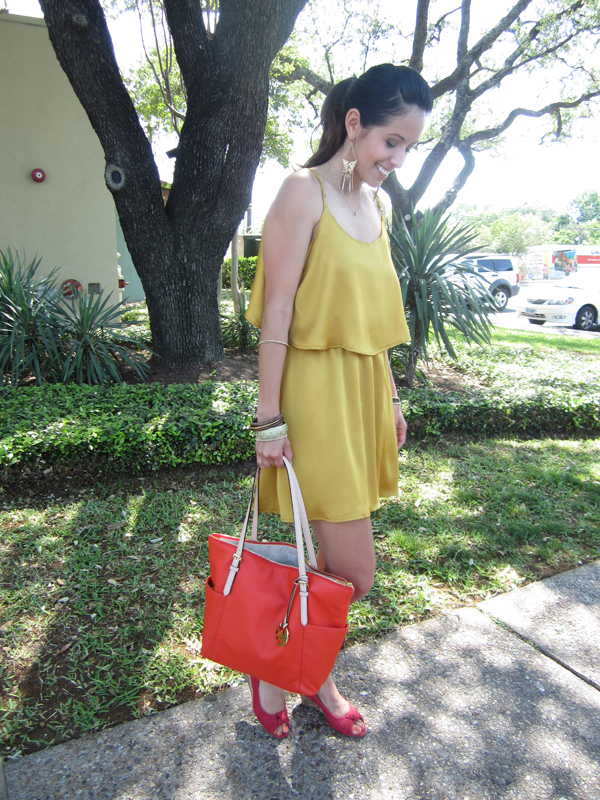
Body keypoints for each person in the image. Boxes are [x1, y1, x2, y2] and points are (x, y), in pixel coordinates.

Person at [245, 63, 433, 739]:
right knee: (355, 571)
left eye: (409, 146)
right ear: (354, 124)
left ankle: (307, 676)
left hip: (362, 395)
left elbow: (371, 320)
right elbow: (278, 311)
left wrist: (391, 400)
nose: (398, 158)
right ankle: (283, 675)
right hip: (313, 397)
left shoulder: (375, 207)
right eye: (391, 141)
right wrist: (269, 418)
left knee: (330, 568)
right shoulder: (304, 191)